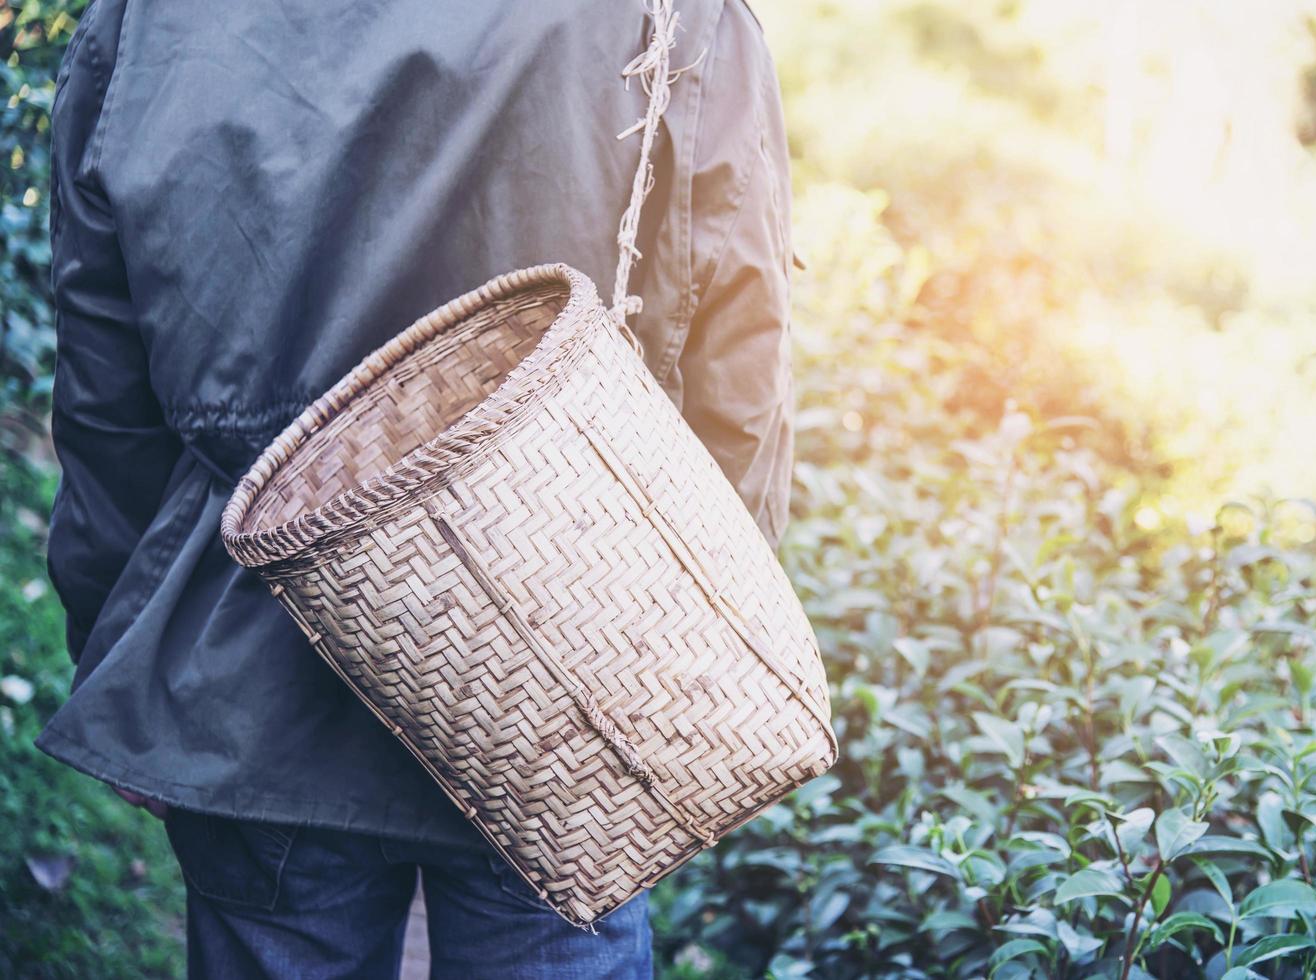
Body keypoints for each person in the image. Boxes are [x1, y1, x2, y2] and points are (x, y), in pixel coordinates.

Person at [38, 1, 794, 976]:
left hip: (249, 656)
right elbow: (735, 351)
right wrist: (696, 649)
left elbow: (104, 384)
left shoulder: (149, 15)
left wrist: (120, 639)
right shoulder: (665, 11)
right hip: (567, 667)